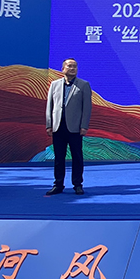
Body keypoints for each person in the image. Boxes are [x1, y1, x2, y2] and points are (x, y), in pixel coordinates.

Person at [45, 58, 92, 196]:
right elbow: (50, 106)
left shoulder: (83, 85)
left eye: (75, 66)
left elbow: (87, 108)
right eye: (69, 66)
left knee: (77, 157)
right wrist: (49, 125)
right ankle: (58, 184)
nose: (72, 68)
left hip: (75, 128)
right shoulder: (54, 84)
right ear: (63, 69)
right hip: (58, 127)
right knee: (59, 158)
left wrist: (84, 126)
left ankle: (77, 184)